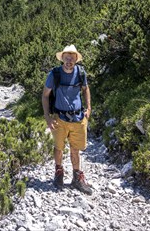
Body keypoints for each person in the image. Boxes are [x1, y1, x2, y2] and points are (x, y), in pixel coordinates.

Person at [42, 44, 93, 194]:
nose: (69, 60)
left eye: (72, 57)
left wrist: (89, 108)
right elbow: (45, 95)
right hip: (59, 118)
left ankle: (77, 178)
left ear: (76, 59)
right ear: (62, 58)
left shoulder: (81, 73)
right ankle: (59, 173)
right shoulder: (54, 74)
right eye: (66, 57)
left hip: (78, 118)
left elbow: (86, 89)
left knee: (75, 149)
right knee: (58, 147)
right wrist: (47, 118)